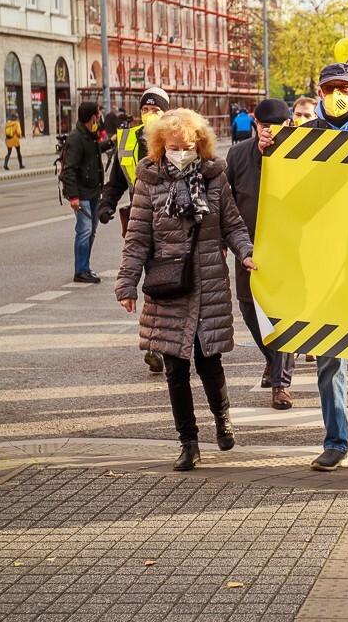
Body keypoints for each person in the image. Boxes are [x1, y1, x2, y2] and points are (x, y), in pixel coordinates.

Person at [259, 62, 348, 472]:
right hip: (319, 262)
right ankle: (336, 441)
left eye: (344, 87)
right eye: (328, 88)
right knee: (328, 358)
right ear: (318, 93)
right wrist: (267, 149)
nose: (336, 94)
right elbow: (279, 193)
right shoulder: (301, 137)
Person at [116, 108, 256, 471]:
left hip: (208, 282)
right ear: (161, 146)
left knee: (210, 361)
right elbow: (137, 239)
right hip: (169, 286)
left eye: (189, 145)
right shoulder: (148, 182)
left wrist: (246, 252)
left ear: (201, 144)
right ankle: (188, 442)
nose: (182, 151)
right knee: (176, 370)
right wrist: (127, 283)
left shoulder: (215, 178)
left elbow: (233, 225)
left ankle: (222, 419)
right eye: (175, 145)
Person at [227, 98, 297, 410]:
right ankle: (273, 357)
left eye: (277, 127)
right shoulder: (238, 153)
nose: (270, 133)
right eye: (264, 127)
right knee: (247, 308)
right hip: (248, 245)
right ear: (256, 125)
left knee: (280, 315)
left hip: (288, 247)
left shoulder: (302, 151)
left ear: (290, 124)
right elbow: (225, 200)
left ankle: (281, 386)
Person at [98, 87, 170, 372]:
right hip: (141, 224)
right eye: (145, 111)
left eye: (156, 111)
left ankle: (166, 342)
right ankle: (155, 345)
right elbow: (117, 179)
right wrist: (106, 203)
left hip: (172, 226)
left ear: (167, 113)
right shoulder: (128, 139)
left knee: (170, 285)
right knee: (151, 284)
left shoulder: (179, 137)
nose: (150, 115)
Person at [61, 101, 104, 284]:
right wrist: (74, 196)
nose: (100, 117)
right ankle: (80, 270)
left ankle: (85, 267)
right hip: (83, 194)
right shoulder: (76, 138)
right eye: (98, 114)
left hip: (93, 192)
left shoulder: (89, 135)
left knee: (91, 231)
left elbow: (93, 156)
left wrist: (110, 142)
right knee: (84, 231)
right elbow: (69, 170)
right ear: (92, 117)